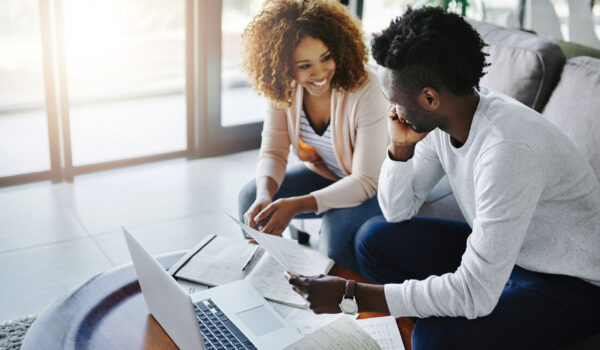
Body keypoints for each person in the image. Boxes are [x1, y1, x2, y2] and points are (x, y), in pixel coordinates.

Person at [287, 6, 600, 349]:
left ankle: (455, 323)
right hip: (510, 256)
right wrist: (399, 149)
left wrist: (354, 296)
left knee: (435, 337)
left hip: (570, 283)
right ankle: (455, 316)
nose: (391, 112)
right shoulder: (443, 119)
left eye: (393, 101)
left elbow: (476, 292)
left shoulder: (507, 148)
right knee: (374, 238)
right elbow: (397, 211)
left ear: (430, 97)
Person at [237, 0, 388, 271]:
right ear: (284, 67)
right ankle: (268, 281)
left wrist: (296, 205)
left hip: (378, 187)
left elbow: (366, 181)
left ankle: (340, 306)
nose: (320, 73)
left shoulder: (367, 88)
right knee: (251, 198)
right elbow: (273, 151)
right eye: (305, 65)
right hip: (332, 173)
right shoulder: (284, 88)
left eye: (326, 57)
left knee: (335, 231)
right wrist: (265, 194)